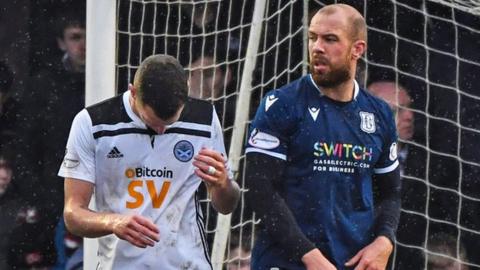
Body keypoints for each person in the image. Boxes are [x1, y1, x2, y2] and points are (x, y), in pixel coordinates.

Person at [244, 4, 401, 270]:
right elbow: (261, 190)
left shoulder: (379, 114)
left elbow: (391, 193)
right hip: (286, 262)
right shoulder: (281, 104)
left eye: (330, 39)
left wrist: (385, 240)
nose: (317, 47)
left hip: (350, 260)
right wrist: (310, 256)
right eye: (312, 37)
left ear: (357, 49)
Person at [60, 54, 240, 269]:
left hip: (189, 264)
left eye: (170, 123)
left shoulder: (205, 118)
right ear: (133, 93)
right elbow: (73, 214)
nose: (162, 131)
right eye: (153, 122)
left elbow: (226, 206)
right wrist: (113, 222)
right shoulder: (92, 123)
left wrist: (223, 185)